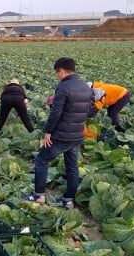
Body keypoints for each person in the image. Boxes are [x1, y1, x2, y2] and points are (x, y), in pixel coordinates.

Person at [22, 57, 92, 209]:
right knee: (72, 167)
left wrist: (48, 132)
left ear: (61, 71)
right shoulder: (85, 86)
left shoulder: (64, 87)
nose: (57, 76)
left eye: (56, 73)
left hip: (62, 135)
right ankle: (68, 200)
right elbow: (88, 111)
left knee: (41, 160)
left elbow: (56, 112)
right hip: (77, 135)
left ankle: (38, 196)